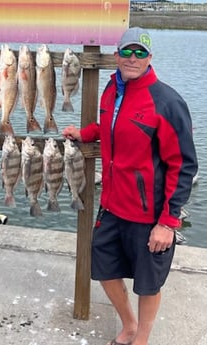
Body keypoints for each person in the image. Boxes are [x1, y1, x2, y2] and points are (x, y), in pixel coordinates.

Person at [63, 27, 198, 345]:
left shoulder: (167, 102)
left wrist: (167, 222)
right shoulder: (112, 90)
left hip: (149, 212)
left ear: (150, 57)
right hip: (111, 205)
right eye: (127, 52)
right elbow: (111, 126)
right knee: (104, 269)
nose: (133, 58)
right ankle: (129, 324)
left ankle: (141, 339)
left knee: (148, 284)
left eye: (140, 52)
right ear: (116, 55)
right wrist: (86, 134)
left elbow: (184, 164)